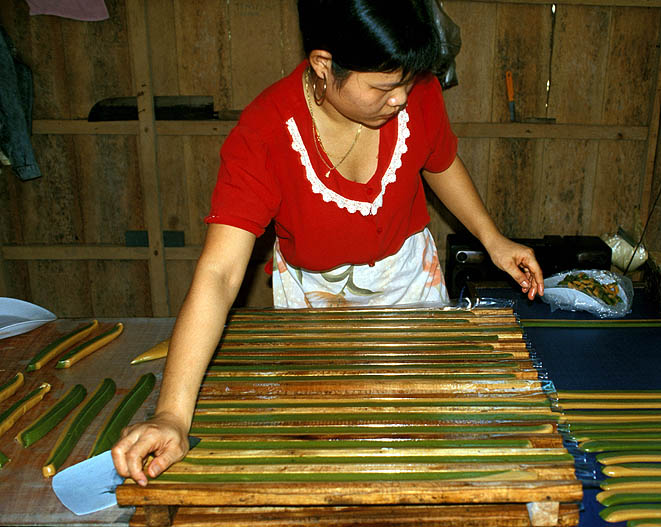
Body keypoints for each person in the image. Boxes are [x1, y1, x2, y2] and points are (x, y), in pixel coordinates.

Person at [112, 0, 543, 486]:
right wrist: (171, 415)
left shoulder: (412, 88)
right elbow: (219, 274)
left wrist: (492, 238)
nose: (401, 98)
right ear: (323, 65)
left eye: (406, 82)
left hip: (408, 281)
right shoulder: (265, 134)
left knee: (420, 431)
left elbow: (439, 161)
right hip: (315, 300)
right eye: (383, 87)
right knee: (327, 436)